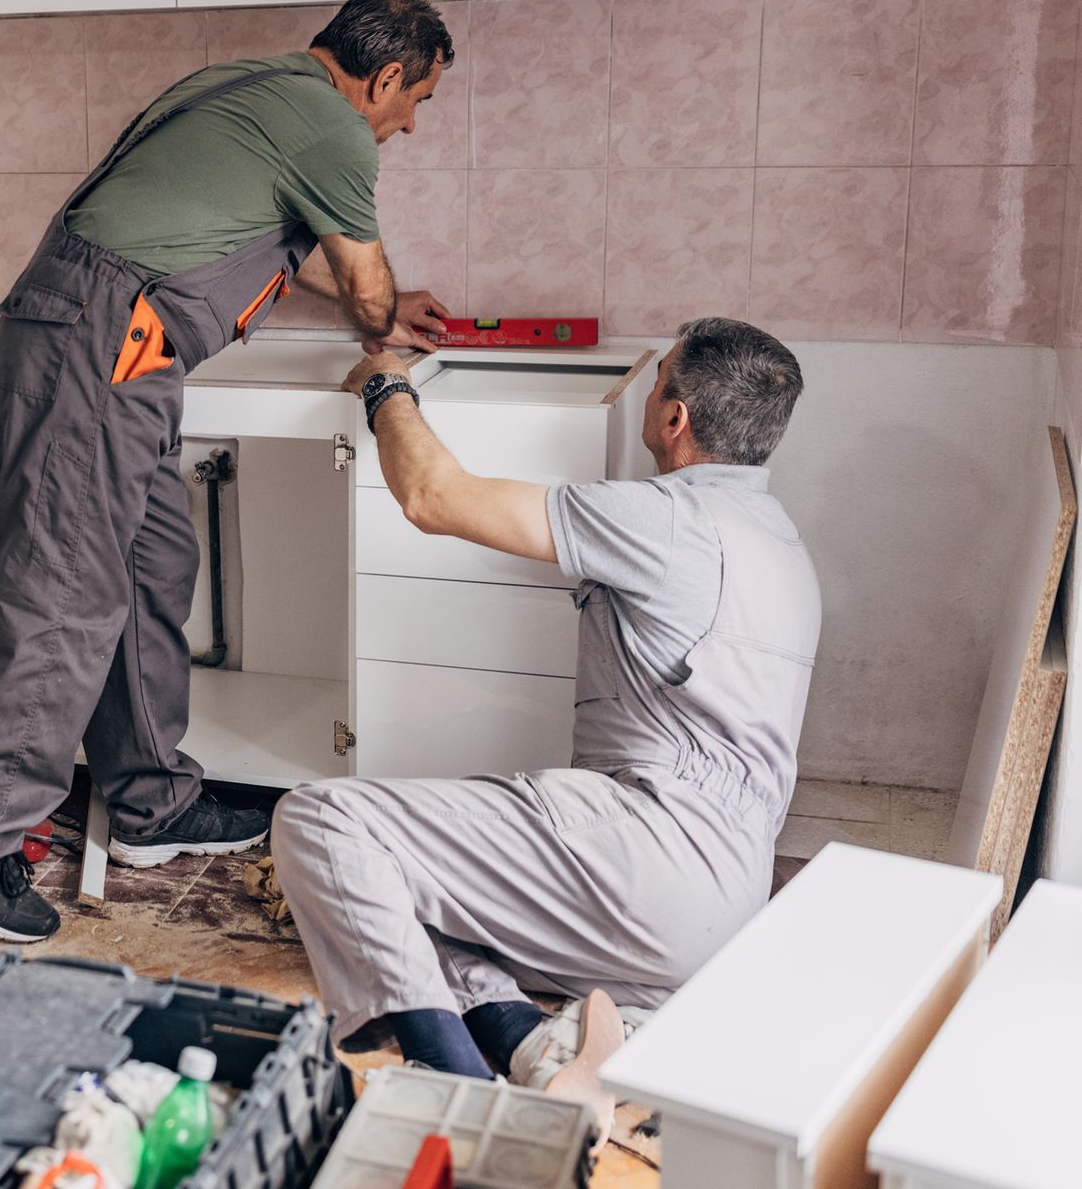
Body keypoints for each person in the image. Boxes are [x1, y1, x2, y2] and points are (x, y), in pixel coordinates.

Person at [0, 0, 458, 943]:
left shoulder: (252, 87)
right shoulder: (337, 130)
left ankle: (151, 800)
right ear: (386, 77)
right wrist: (384, 327)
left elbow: (298, 257)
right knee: (66, 587)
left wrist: (378, 309)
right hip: (102, 338)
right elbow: (365, 283)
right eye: (416, 103)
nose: (408, 126)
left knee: (152, 559)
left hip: (112, 339)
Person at [272, 318, 820, 1128]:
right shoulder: (785, 548)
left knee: (323, 822)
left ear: (674, 420)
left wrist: (385, 384)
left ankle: (457, 1098)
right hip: (726, 907)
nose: (652, 385)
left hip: (649, 862)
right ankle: (538, 1052)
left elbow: (433, 498)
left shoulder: (666, 522)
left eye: (659, 374)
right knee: (411, 901)